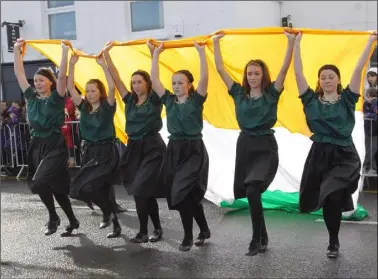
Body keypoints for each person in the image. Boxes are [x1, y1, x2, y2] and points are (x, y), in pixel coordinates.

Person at [293, 31, 377, 258]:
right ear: (319, 81)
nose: (327, 80)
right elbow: (298, 73)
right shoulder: (310, 100)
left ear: (338, 79)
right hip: (319, 155)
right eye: (323, 77)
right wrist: (296, 43)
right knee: (331, 199)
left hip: (344, 155)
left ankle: (333, 241)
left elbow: (359, 70)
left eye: (331, 76)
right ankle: (333, 241)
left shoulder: (348, 99)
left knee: (332, 193)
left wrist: (370, 43)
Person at [213, 31, 296, 256]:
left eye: (256, 73)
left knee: (252, 189)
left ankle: (255, 239)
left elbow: (284, 69)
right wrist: (215, 43)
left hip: (265, 146)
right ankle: (263, 235)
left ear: (263, 75)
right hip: (246, 145)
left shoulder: (271, 93)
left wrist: (290, 42)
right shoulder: (238, 93)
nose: (252, 76)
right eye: (249, 73)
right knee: (252, 193)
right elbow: (220, 69)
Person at [13, 38, 79, 237]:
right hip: (37, 146)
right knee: (57, 189)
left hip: (55, 145)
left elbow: (62, 78)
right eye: (36, 80)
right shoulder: (31, 97)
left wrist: (64, 53)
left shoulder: (57, 98)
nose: (37, 82)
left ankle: (53, 217)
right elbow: (18, 72)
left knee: (40, 181)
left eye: (42, 79)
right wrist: (17, 50)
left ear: (50, 82)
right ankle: (73, 221)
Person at [150, 41, 211, 252]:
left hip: (193, 150)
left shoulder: (196, 100)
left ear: (189, 85)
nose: (176, 86)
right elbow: (154, 79)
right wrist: (156, 55)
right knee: (188, 195)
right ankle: (204, 229)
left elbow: (204, 78)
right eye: (174, 82)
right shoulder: (168, 100)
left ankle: (187, 236)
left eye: (180, 82)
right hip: (174, 150)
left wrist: (201, 53)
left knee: (181, 192)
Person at [103, 42, 166, 243]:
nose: (136, 85)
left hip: (153, 148)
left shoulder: (155, 99)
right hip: (134, 148)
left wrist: (153, 53)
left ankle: (143, 231)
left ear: (147, 83)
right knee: (144, 192)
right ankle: (156, 229)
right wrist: (106, 56)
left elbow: (156, 75)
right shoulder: (129, 100)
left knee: (140, 190)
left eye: (139, 82)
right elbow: (115, 76)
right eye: (134, 83)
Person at [67, 50, 121, 238]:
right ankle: (113, 218)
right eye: (87, 91)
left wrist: (103, 65)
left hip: (106, 152)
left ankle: (108, 213)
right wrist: (72, 64)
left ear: (100, 92)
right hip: (89, 151)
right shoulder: (83, 107)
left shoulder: (107, 107)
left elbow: (113, 88)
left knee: (91, 187)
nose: (89, 94)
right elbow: (70, 87)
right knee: (79, 189)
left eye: (93, 91)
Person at [363, 87, 378, 174]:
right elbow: (364, 114)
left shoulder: (375, 103)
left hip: (375, 132)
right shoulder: (365, 104)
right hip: (367, 131)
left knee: (373, 150)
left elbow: (375, 113)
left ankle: (366, 165)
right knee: (367, 149)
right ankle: (371, 168)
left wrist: (374, 102)